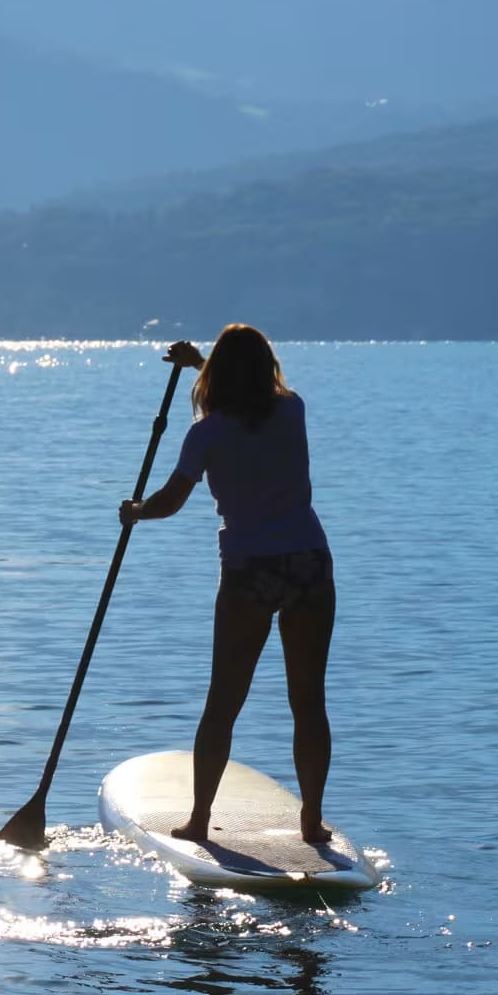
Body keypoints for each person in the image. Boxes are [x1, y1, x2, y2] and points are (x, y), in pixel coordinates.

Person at [119, 325, 336, 844]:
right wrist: (203, 363)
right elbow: (253, 388)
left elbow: (170, 502)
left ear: (218, 376)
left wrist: (137, 512)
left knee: (224, 701)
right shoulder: (293, 410)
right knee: (308, 701)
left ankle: (198, 820)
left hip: (250, 570)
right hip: (309, 561)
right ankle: (311, 819)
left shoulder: (207, 433)